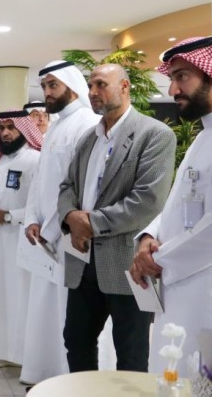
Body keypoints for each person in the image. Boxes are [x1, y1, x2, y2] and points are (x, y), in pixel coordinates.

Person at [58, 64, 175, 372]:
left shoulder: (154, 135)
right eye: (90, 85)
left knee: (131, 352)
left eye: (101, 84)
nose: (93, 92)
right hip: (82, 260)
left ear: (125, 87)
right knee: (76, 340)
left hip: (128, 263)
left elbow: (147, 201)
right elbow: (68, 185)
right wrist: (70, 215)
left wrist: (90, 223)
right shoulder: (89, 138)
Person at [130, 36, 212, 377]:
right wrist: (149, 236)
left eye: (182, 77)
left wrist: (159, 260)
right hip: (178, 282)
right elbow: (180, 202)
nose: (173, 90)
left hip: (203, 289)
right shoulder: (202, 137)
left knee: (196, 376)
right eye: (172, 78)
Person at [20, 60, 100, 385]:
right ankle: (45, 375)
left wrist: (51, 229)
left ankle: (69, 381)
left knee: (71, 316)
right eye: (44, 86)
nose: (47, 92)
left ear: (72, 86)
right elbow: (40, 181)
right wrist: (31, 219)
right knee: (45, 309)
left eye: (53, 85)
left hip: (68, 238)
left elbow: (79, 187)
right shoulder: (54, 127)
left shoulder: (88, 124)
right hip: (45, 237)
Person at [0, 110, 42, 367]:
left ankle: (22, 356)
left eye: (11, 128)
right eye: (2, 128)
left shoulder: (36, 160)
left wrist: (9, 216)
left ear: (24, 130)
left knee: (19, 295)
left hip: (22, 240)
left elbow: (43, 206)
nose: (5, 133)